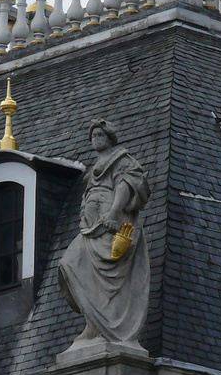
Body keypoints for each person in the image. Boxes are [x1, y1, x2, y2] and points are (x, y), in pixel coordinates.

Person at [58, 118, 152, 346]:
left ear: (110, 138)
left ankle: (103, 328)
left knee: (108, 281)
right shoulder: (94, 169)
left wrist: (113, 213)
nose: (96, 139)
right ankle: (93, 323)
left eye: (100, 135)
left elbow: (126, 186)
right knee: (70, 264)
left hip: (110, 226)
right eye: (93, 136)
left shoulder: (121, 161)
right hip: (91, 229)